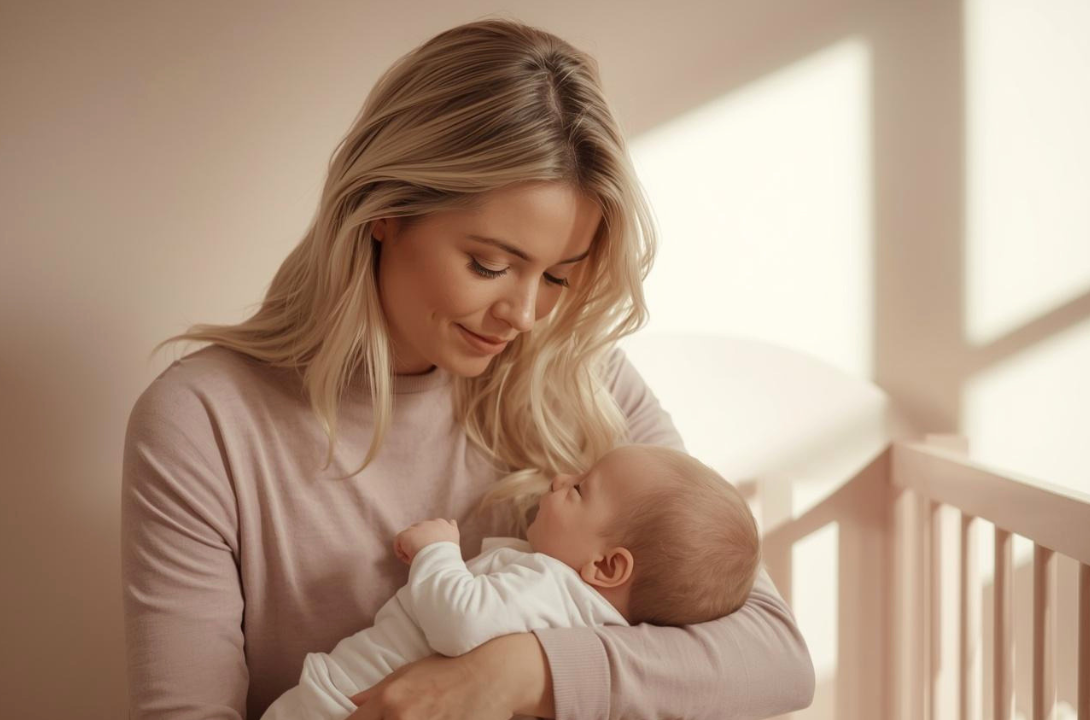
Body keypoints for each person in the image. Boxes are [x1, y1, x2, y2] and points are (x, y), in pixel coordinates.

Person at [121, 16, 814, 720]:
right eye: (490, 264)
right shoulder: (204, 421)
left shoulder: (584, 381)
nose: (526, 315)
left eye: (558, 276)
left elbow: (774, 657)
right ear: (384, 211)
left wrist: (516, 673)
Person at [257, 444, 762, 720]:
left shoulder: (552, 585)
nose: (560, 479)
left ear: (607, 567)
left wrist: (437, 550)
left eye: (580, 489)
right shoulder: (590, 624)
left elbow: (459, 621)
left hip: (339, 702)